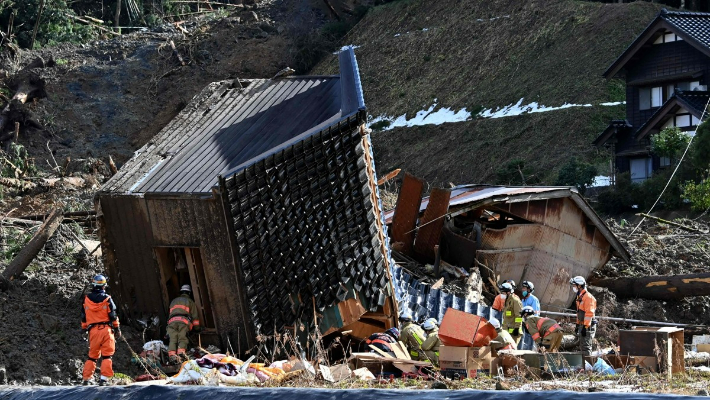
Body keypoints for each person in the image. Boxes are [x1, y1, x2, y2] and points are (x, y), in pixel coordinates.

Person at [81, 274, 120, 386]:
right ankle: (104, 379)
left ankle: (86, 379)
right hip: (106, 330)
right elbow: (113, 315)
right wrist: (117, 329)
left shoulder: (86, 299)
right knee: (107, 355)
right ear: (104, 286)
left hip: (93, 331)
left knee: (92, 356)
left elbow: (83, 317)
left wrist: (84, 329)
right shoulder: (107, 298)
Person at [167, 285, 201, 363]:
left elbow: (170, 313)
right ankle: (181, 356)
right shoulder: (190, 301)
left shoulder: (173, 301)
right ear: (189, 293)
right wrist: (197, 328)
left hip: (172, 322)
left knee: (172, 338)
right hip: (183, 322)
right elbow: (195, 317)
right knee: (182, 338)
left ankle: (172, 356)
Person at [570, 276, 597, 356]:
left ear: (579, 286)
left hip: (588, 326)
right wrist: (577, 325)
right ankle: (584, 365)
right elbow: (579, 313)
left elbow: (589, 313)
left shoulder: (588, 297)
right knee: (582, 346)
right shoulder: (580, 297)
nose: (573, 287)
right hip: (583, 324)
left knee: (586, 347)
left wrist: (585, 327)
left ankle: (588, 365)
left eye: (574, 285)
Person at [518, 280, 540, 350]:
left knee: (530, 340)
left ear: (529, 290)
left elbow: (535, 313)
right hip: (523, 322)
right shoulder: (523, 300)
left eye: (524, 288)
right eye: (523, 288)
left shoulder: (533, 299)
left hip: (530, 323)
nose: (522, 290)